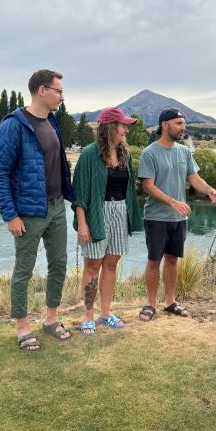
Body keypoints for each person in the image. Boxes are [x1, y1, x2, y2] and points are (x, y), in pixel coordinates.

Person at [0, 69, 74, 350]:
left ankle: (51, 319)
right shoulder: (13, 125)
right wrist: (10, 215)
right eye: (58, 91)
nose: (62, 96)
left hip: (56, 206)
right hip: (27, 211)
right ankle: (23, 328)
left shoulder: (52, 121)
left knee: (59, 264)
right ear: (42, 90)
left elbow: (57, 163)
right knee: (24, 270)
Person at [137, 108, 216, 321]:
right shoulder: (150, 153)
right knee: (154, 260)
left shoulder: (184, 152)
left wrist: (209, 189)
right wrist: (172, 202)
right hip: (156, 217)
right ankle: (150, 304)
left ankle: (169, 301)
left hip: (179, 218)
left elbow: (194, 178)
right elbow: (148, 186)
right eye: (179, 123)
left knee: (172, 260)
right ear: (165, 124)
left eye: (184, 124)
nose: (183, 128)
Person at [72, 107, 143, 336]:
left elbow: (129, 190)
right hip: (96, 214)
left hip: (119, 212)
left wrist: (130, 216)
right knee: (92, 266)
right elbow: (80, 193)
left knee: (111, 265)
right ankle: (88, 316)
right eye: (123, 126)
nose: (126, 130)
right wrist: (82, 223)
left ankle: (105, 313)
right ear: (110, 128)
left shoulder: (125, 154)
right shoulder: (89, 154)